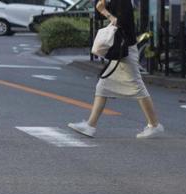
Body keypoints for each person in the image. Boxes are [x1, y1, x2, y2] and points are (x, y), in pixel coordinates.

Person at [68, 0, 164, 139]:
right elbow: (100, 16)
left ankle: (154, 125)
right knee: (103, 85)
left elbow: (121, 22)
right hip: (122, 50)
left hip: (126, 50)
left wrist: (104, 11)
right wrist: (101, 7)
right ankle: (90, 126)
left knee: (137, 86)